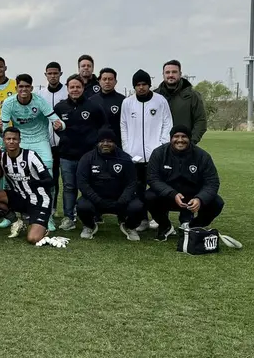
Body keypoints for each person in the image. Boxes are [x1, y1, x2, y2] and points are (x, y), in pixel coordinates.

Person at [0, 73, 65, 230]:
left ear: (31, 88)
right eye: (20, 86)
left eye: (26, 86)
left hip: (40, 139)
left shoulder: (39, 101)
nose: (23, 89)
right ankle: (11, 216)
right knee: (6, 170)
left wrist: (60, 125)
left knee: (47, 173)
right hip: (20, 140)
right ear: (16, 88)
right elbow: (3, 129)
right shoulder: (9, 102)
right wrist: (4, 138)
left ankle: (47, 216)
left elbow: (57, 120)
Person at [147, 125, 224, 241]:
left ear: (190, 138)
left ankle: (192, 226)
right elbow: (153, 178)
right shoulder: (159, 153)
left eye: (184, 136)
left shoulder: (202, 156)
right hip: (169, 196)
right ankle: (165, 226)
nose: (180, 140)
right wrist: (172, 194)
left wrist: (200, 199)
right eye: (176, 136)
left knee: (217, 203)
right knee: (149, 197)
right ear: (170, 138)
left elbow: (212, 182)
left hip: (192, 197)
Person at [53, 74, 108, 231]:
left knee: (89, 187)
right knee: (69, 187)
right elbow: (55, 127)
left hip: (89, 156)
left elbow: (103, 128)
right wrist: (65, 137)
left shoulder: (94, 106)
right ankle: (69, 217)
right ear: (67, 89)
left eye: (78, 87)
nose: (75, 90)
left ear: (83, 88)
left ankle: (91, 216)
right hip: (66, 155)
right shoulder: (60, 107)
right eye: (72, 87)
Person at [121, 69, 172, 232]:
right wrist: (127, 149)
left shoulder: (160, 101)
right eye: (138, 85)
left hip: (156, 156)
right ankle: (142, 219)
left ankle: (159, 218)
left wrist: (162, 147)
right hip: (134, 156)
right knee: (138, 189)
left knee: (158, 189)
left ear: (149, 85)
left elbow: (167, 124)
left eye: (144, 84)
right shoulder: (127, 103)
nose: (141, 87)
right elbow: (124, 126)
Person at [0, 127, 52, 244]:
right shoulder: (2, 158)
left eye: (14, 139)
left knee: (33, 239)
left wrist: (35, 183)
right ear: (4, 140)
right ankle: (16, 221)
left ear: (19, 140)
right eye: (8, 139)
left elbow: (49, 180)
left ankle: (42, 227)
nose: (11, 141)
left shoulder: (31, 156)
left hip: (39, 200)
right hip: (20, 197)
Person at [75, 129, 143, 241]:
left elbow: (132, 183)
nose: (105, 144)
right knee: (82, 206)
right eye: (102, 141)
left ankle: (129, 226)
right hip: (96, 200)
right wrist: (97, 200)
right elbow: (82, 183)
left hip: (119, 200)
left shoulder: (125, 158)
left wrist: (122, 200)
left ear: (115, 143)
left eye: (109, 141)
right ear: (97, 142)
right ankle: (90, 225)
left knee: (137, 206)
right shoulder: (87, 158)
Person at [37, 62, 67, 214]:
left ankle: (70, 211)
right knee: (51, 178)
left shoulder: (68, 91)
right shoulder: (41, 94)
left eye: (56, 73)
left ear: (60, 74)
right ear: (46, 75)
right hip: (47, 142)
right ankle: (52, 207)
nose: (53, 76)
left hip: (66, 142)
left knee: (68, 180)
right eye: (50, 73)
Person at [154, 59, 207, 144]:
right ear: (163, 75)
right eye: (167, 72)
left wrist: (191, 142)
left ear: (180, 74)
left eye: (174, 72)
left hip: (184, 147)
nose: (170, 75)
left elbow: (200, 121)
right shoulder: (155, 96)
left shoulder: (192, 96)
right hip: (159, 148)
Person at [89, 68, 126, 148]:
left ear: (115, 82)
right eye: (104, 79)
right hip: (97, 145)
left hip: (117, 145)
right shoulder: (91, 101)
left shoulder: (123, 101)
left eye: (110, 79)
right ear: (99, 81)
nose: (107, 82)